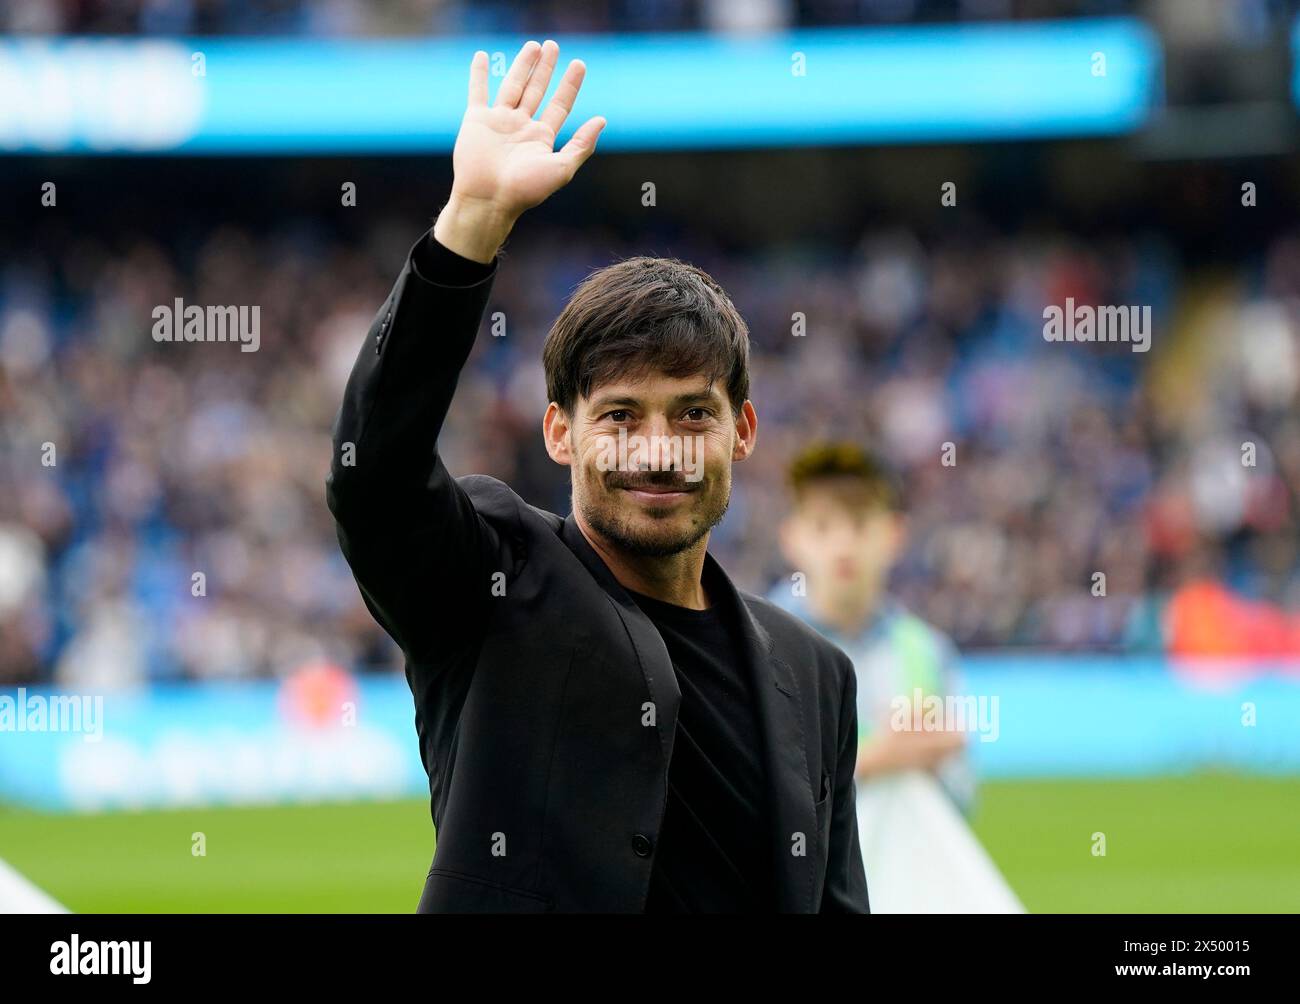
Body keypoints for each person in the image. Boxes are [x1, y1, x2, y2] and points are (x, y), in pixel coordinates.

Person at [326, 40, 869, 913]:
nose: (658, 450)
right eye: (620, 417)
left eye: (693, 414)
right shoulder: (491, 584)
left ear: (744, 433)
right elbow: (373, 479)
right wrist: (470, 224)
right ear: (559, 434)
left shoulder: (815, 675)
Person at [770, 442, 1023, 912]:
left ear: (893, 535)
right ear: (793, 537)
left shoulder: (925, 650)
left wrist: (939, 752)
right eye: (825, 527)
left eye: (861, 525)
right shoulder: (758, 640)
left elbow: (958, 800)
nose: (845, 545)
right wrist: (876, 756)